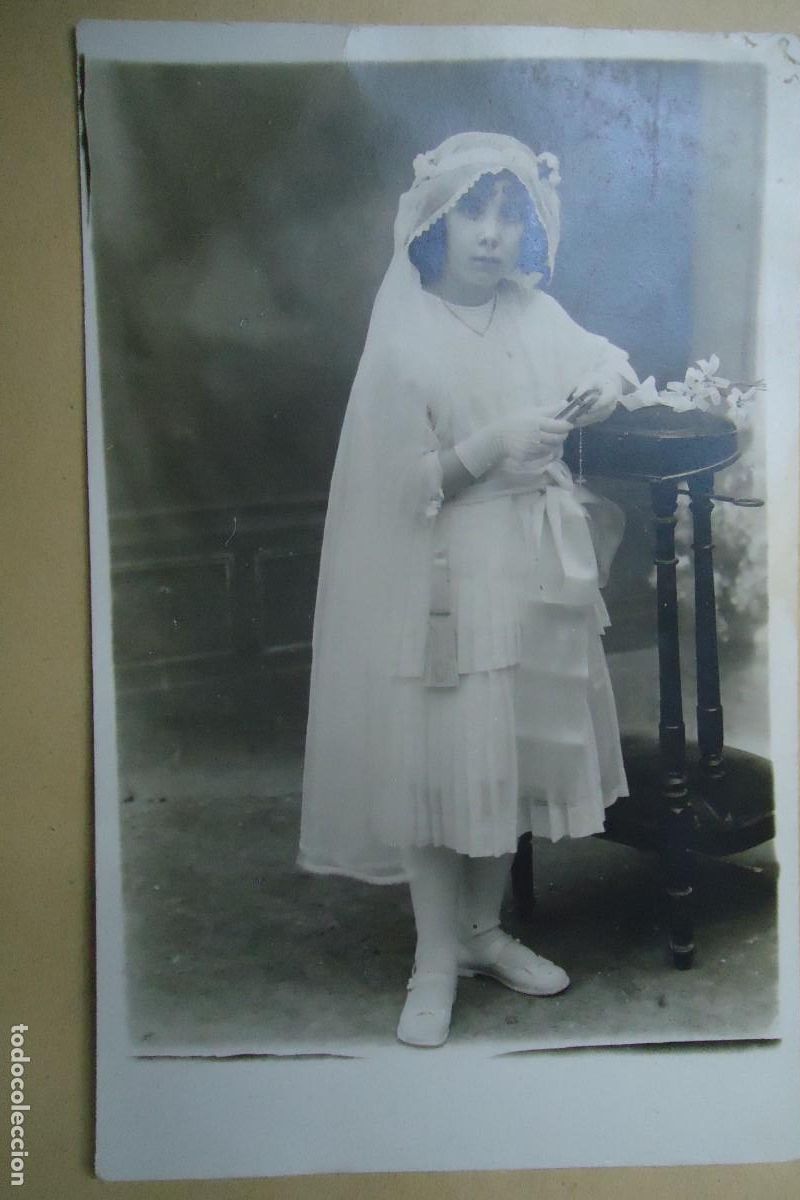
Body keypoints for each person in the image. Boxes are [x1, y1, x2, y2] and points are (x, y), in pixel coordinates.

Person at [298, 131, 645, 1047]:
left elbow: (602, 355)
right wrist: (490, 447)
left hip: (527, 570)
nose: (490, 236)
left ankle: (486, 931)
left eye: (507, 217)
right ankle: (432, 956)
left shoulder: (532, 312)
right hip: (443, 576)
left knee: (504, 756)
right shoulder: (407, 334)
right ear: (436, 226)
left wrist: (602, 386)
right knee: (436, 758)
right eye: (471, 216)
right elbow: (395, 485)